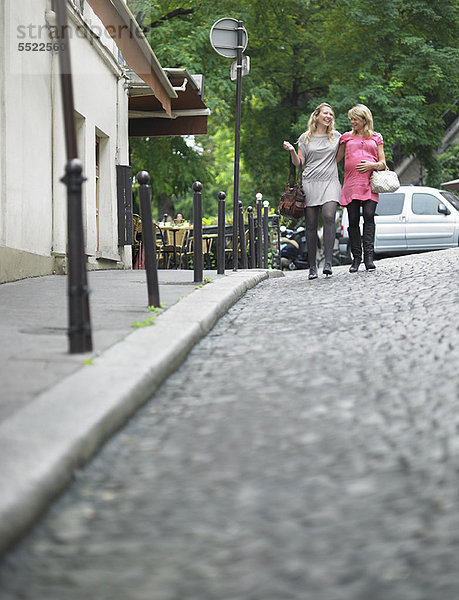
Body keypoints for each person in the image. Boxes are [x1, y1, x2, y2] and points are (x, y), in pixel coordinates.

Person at [283, 102, 341, 279]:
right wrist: (293, 150)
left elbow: (339, 157)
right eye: (325, 113)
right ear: (316, 116)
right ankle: (312, 266)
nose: (329, 116)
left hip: (330, 181)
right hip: (310, 182)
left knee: (330, 217)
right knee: (310, 224)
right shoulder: (305, 138)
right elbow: (299, 163)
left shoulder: (337, 137)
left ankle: (328, 263)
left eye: (331, 114)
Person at [336, 104, 386, 272]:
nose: (352, 122)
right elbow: (336, 159)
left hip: (369, 182)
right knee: (353, 219)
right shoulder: (346, 137)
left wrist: (372, 164)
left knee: (370, 215)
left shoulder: (376, 137)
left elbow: (383, 163)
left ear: (365, 119)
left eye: (355, 119)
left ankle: (369, 258)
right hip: (351, 184)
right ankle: (356, 258)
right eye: (351, 119)